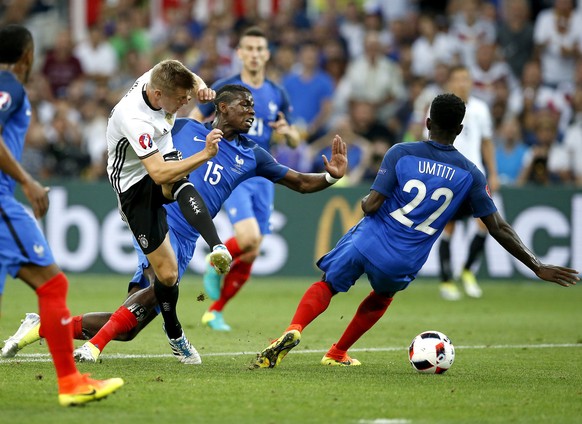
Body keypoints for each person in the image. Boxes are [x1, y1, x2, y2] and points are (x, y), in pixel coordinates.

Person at [2, 84, 347, 363]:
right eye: (245, 105)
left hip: (185, 241)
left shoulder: (252, 154)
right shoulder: (182, 128)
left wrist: (329, 178)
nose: (251, 112)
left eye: (253, 106)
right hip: (158, 221)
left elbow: (300, 182)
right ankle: (89, 342)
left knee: (129, 324)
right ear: (222, 108)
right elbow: (143, 140)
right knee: (154, 293)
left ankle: (44, 326)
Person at [251, 93, 579, 369]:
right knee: (381, 297)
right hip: (404, 259)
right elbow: (498, 227)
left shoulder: (401, 152)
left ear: (427, 122)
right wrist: (537, 265)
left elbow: (371, 205)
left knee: (328, 285)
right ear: (460, 129)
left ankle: (294, 328)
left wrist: (366, 199)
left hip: (368, 240)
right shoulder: (471, 174)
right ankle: (337, 352)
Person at [0, 24, 124, 407]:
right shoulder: (11, 86)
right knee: (53, 286)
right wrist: (28, 182)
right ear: (27, 55)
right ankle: (70, 382)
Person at [100, 58, 232, 364]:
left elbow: (181, 70)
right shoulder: (133, 117)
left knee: (181, 187)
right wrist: (205, 154)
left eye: (187, 97)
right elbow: (158, 174)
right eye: (180, 98)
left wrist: (200, 87)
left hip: (160, 157)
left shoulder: (159, 76)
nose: (185, 102)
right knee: (165, 275)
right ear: (158, 96)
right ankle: (167, 333)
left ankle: (217, 246)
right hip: (134, 188)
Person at [190, 26, 301, 331]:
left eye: (259, 49)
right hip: (232, 171)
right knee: (249, 237)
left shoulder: (277, 93)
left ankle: (214, 311)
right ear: (239, 53)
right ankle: (216, 259)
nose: (254, 54)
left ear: (266, 54)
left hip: (262, 173)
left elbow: (291, 138)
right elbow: (197, 119)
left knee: (252, 250)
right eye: (248, 49)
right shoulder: (225, 87)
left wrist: (289, 134)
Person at [436, 65, 499, 301]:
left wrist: (493, 173)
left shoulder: (481, 109)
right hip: (448, 178)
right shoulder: (440, 108)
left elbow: (487, 143)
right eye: (458, 79)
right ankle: (446, 280)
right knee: (448, 228)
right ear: (450, 82)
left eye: (466, 78)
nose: (463, 83)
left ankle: (467, 271)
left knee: (486, 224)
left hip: (476, 177)